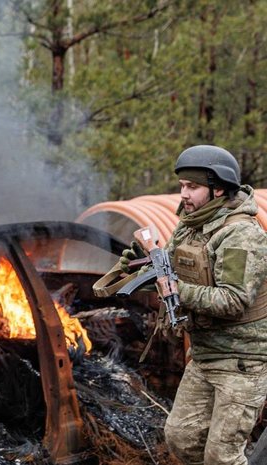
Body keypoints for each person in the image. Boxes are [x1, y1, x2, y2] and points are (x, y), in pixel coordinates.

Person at [128, 145, 267, 465]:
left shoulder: (241, 234)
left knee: (222, 456)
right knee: (182, 438)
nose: (183, 194)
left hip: (242, 361)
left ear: (218, 188)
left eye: (192, 186)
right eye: (181, 186)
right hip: (205, 355)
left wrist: (177, 290)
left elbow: (234, 300)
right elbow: (170, 264)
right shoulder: (191, 224)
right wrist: (140, 266)